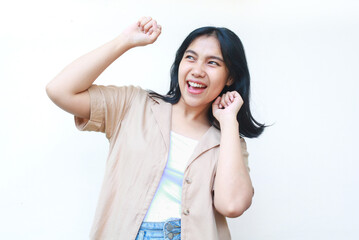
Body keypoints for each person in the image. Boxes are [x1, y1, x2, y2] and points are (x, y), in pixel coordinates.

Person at [46, 16, 265, 240]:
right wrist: (124, 41)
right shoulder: (133, 105)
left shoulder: (228, 142)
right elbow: (60, 90)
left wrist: (229, 121)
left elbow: (232, 205)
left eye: (212, 63)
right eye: (190, 58)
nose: (198, 70)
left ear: (230, 77)